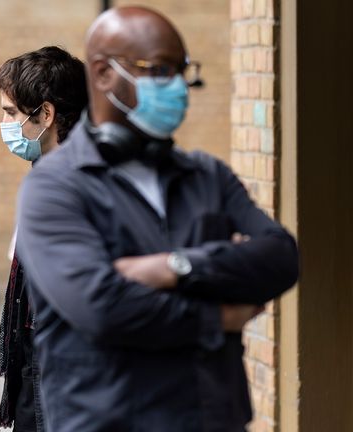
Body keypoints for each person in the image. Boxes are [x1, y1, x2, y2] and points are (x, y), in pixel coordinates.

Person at [15, 6, 299, 431]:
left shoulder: (207, 175)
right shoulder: (55, 188)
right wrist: (217, 316)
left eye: (181, 72)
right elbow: (101, 305)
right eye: (160, 70)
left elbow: (281, 257)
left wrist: (174, 266)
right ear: (104, 74)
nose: (178, 88)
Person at [0, 46, 87, 432]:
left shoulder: (79, 185)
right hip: (38, 373)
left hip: (63, 382)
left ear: (45, 114)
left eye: (11, 112)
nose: (4, 122)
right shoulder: (43, 174)